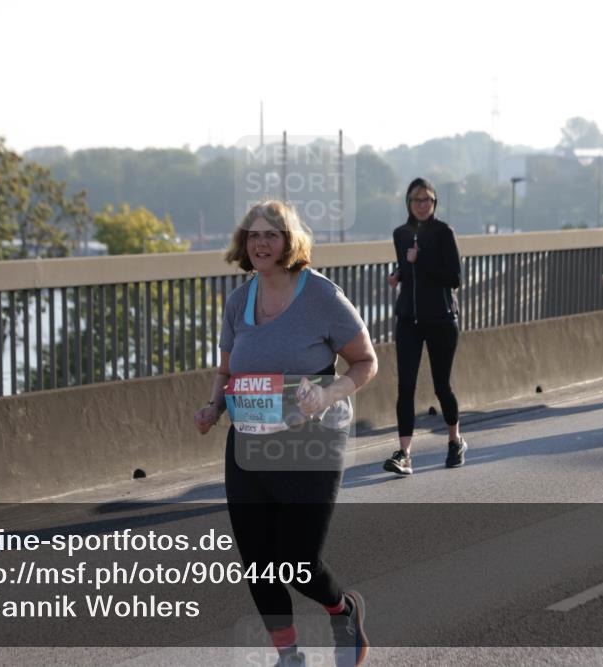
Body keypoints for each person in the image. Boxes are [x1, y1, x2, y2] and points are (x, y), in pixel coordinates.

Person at [194, 200, 378, 667]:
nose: (260, 243)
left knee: (297, 561)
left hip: (310, 443)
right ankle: (288, 656)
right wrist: (214, 407)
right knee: (258, 562)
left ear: (288, 241)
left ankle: (343, 610)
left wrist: (329, 394)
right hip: (249, 443)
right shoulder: (239, 301)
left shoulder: (320, 296)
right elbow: (227, 369)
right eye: (253, 235)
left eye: (271, 235)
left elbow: (365, 361)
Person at [383, 178, 465, 475]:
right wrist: (398, 274)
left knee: (442, 386)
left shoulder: (444, 233)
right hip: (409, 320)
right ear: (408, 202)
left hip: (441, 319)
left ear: (434, 203)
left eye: (426, 200)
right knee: (405, 387)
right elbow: (409, 268)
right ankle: (404, 454)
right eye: (416, 200)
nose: (421, 205)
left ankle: (455, 440)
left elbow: (454, 277)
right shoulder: (400, 234)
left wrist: (421, 261)